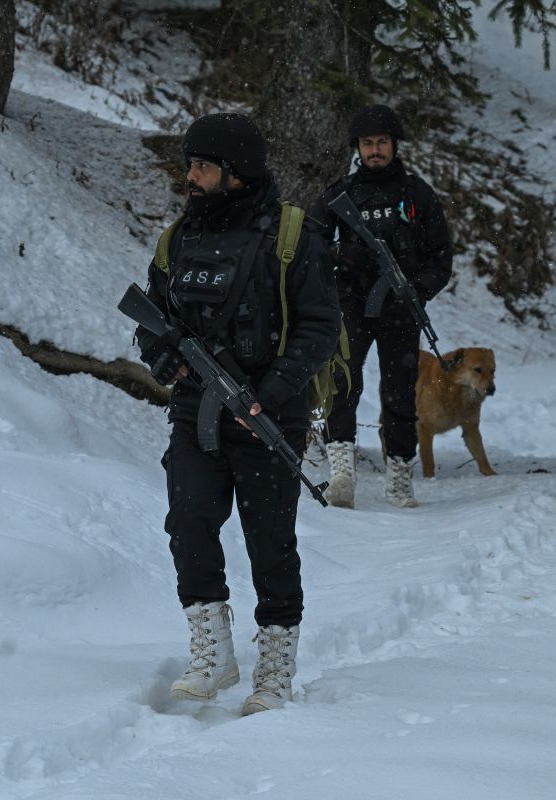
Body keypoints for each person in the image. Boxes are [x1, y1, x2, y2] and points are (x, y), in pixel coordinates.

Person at [133, 113, 340, 715]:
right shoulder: (179, 239)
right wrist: (162, 356)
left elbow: (320, 328)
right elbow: (153, 316)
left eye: (203, 166)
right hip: (195, 411)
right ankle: (213, 650)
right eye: (190, 165)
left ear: (237, 172)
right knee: (188, 522)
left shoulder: (292, 236)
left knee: (270, 541)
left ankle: (275, 664)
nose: (191, 177)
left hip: (268, 413)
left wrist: (270, 394)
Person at [309, 104, 453, 509]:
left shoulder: (417, 194)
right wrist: (341, 253)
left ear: (394, 144)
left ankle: (400, 478)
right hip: (351, 305)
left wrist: (415, 289)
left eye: (382, 142)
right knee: (342, 385)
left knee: (400, 393)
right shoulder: (341, 194)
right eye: (368, 143)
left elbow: (441, 258)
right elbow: (310, 244)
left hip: (400, 310)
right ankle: (342, 474)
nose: (375, 150)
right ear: (358, 148)